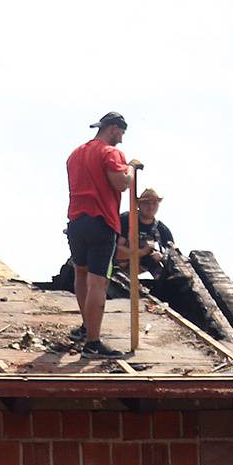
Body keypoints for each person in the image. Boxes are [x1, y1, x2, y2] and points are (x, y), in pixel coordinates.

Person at [64, 112, 137, 358]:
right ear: (114, 129)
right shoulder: (110, 153)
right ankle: (93, 343)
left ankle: (87, 327)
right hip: (101, 221)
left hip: (76, 221)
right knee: (98, 282)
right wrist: (131, 169)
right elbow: (120, 183)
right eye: (122, 133)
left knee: (80, 274)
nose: (122, 139)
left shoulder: (75, 154)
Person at [116, 187, 176, 274]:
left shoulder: (161, 229)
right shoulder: (127, 219)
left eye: (154, 203)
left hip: (138, 269)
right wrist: (142, 251)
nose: (151, 207)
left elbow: (174, 254)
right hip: (116, 267)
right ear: (139, 204)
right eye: (147, 203)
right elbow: (115, 250)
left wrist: (162, 257)